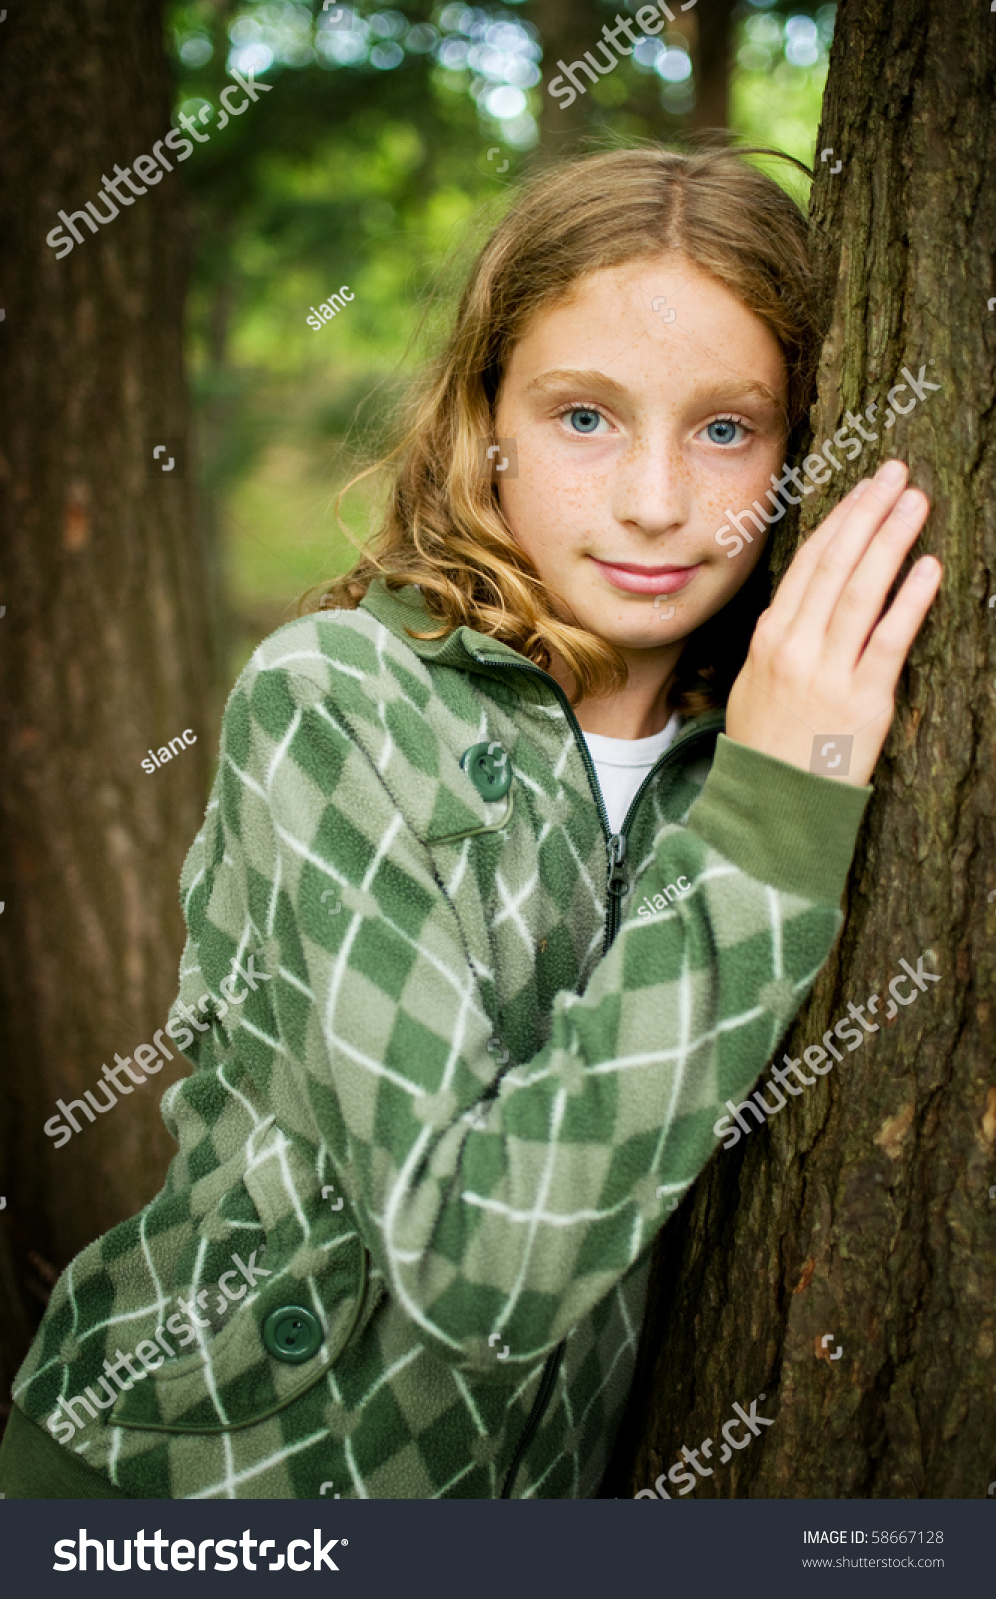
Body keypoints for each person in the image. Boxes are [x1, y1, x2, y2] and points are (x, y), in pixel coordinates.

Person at [0, 146, 941, 1500]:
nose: (657, 500)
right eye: (583, 416)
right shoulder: (340, 702)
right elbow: (471, 1262)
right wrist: (774, 826)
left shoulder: (731, 744)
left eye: (730, 428)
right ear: (484, 415)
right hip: (183, 1497)